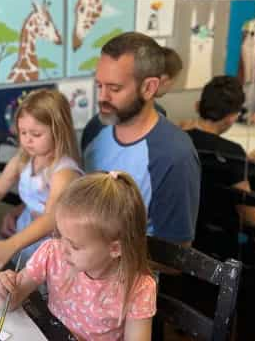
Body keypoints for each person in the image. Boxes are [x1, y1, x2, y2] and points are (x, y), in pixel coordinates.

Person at [0, 172, 156, 341]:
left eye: (75, 246)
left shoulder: (139, 288)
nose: (63, 248)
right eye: (60, 234)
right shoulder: (52, 253)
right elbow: (10, 303)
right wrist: (4, 291)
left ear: (115, 248)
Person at [82, 32, 200, 246]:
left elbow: (176, 254)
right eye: (99, 86)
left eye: (115, 88)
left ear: (149, 88)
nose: (102, 98)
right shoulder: (96, 127)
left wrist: (104, 256)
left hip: (133, 274)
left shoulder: (174, 156)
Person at [0, 89, 82, 273]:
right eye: (23, 132)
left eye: (36, 134)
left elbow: (50, 220)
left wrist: (11, 244)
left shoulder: (64, 173)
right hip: (24, 230)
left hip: (50, 244)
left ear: (58, 132)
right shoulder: (22, 160)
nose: (27, 140)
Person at [185, 75, 255, 270]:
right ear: (232, 117)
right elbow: (253, 219)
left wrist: (245, 162)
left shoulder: (183, 139)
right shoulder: (232, 151)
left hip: (192, 231)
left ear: (198, 105)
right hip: (223, 241)